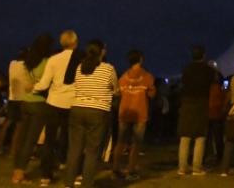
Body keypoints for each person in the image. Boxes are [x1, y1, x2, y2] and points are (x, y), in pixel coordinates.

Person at [63, 40, 119, 188]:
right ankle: (87, 183)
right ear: (102, 51)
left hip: (78, 108)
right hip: (98, 110)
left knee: (74, 148)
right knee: (92, 151)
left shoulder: (80, 67)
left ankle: (69, 183)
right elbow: (116, 89)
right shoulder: (108, 69)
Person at [31, 29, 80, 184]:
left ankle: (46, 175)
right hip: (72, 103)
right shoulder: (81, 60)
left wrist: (33, 87)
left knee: (49, 140)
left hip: (54, 102)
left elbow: (45, 83)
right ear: (75, 43)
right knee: (73, 140)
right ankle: (74, 172)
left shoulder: (53, 59)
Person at [10, 34, 53, 184]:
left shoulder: (29, 60)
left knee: (22, 138)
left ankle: (16, 170)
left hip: (25, 101)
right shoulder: (48, 62)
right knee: (31, 140)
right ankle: (19, 174)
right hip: (39, 103)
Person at [113, 49, 156, 179]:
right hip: (140, 113)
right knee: (136, 143)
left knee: (120, 141)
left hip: (124, 112)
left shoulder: (123, 77)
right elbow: (152, 94)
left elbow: (118, 93)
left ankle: (115, 169)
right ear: (141, 59)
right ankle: (131, 170)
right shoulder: (147, 76)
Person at [178, 45, 212, 176]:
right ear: (203, 55)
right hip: (201, 103)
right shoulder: (208, 70)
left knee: (185, 136)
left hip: (187, 103)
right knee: (200, 136)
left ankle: (182, 167)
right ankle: (197, 167)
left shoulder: (186, 69)